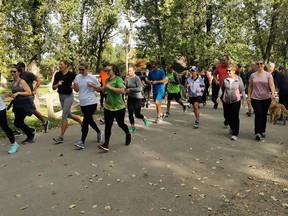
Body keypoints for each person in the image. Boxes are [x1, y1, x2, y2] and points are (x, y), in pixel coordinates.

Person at [97, 64, 131, 152]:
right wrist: (94, 87)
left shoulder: (118, 79)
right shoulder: (107, 80)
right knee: (108, 125)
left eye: (109, 70)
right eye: (106, 70)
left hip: (119, 107)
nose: (107, 72)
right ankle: (106, 144)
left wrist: (110, 87)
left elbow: (122, 91)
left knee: (120, 124)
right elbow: (104, 89)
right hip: (108, 106)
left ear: (114, 71)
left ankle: (128, 134)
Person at [73, 62, 103, 149]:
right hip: (83, 103)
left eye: (83, 69)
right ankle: (98, 131)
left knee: (85, 121)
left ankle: (82, 141)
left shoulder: (92, 77)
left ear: (87, 69)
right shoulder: (77, 77)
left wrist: (92, 85)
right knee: (90, 120)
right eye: (80, 69)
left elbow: (99, 89)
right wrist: (75, 86)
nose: (81, 71)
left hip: (91, 102)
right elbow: (76, 90)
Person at [52, 60, 82, 144]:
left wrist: (74, 86)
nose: (59, 65)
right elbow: (53, 87)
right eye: (59, 64)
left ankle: (61, 137)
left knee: (64, 115)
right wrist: (57, 84)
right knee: (69, 114)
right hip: (61, 96)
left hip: (69, 96)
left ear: (66, 65)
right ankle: (81, 122)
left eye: (61, 64)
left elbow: (78, 83)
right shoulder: (57, 74)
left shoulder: (72, 74)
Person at [17, 62, 50, 133]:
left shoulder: (28, 74)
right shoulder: (18, 75)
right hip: (20, 97)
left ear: (22, 68)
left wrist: (35, 89)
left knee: (32, 110)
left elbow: (39, 80)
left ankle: (45, 122)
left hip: (28, 96)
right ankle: (18, 129)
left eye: (18, 67)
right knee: (19, 111)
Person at [248, 60, 276, 141]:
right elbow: (250, 86)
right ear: (256, 65)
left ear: (264, 65)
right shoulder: (253, 75)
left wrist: (273, 93)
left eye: (261, 63)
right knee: (258, 114)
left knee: (263, 115)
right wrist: (249, 97)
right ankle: (257, 132)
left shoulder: (268, 75)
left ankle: (263, 130)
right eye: (258, 64)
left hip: (266, 98)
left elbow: (271, 84)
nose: (259, 65)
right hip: (255, 98)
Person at [217, 64, 246, 140]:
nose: (228, 72)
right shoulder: (225, 79)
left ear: (234, 71)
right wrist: (218, 97)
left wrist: (244, 100)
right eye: (227, 70)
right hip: (226, 100)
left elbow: (242, 90)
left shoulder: (238, 79)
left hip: (236, 100)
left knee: (235, 116)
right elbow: (221, 89)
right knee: (226, 116)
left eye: (229, 70)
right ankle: (232, 127)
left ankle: (235, 133)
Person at [10, 65, 36, 144]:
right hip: (17, 104)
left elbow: (29, 92)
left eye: (14, 72)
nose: (12, 73)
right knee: (17, 122)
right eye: (11, 71)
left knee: (18, 122)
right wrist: (10, 95)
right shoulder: (14, 82)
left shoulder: (22, 81)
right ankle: (30, 130)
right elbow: (14, 92)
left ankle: (30, 135)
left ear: (19, 72)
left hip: (24, 104)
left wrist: (18, 93)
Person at [125, 64, 149, 132]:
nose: (128, 72)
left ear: (134, 71)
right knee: (130, 113)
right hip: (130, 97)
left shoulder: (137, 78)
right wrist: (124, 89)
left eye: (130, 71)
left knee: (137, 114)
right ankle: (133, 127)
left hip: (137, 98)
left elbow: (140, 88)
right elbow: (126, 87)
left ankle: (144, 118)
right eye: (128, 71)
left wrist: (130, 90)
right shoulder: (127, 78)